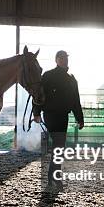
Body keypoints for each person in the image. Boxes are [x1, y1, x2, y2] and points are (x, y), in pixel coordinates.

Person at [33, 50, 84, 188]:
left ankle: (52, 176)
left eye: (66, 58)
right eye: (61, 58)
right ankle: (54, 176)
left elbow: (75, 100)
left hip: (63, 116)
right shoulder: (48, 76)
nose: (64, 60)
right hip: (50, 115)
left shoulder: (71, 79)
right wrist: (36, 113)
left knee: (59, 146)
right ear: (56, 60)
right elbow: (38, 95)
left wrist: (80, 118)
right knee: (58, 144)